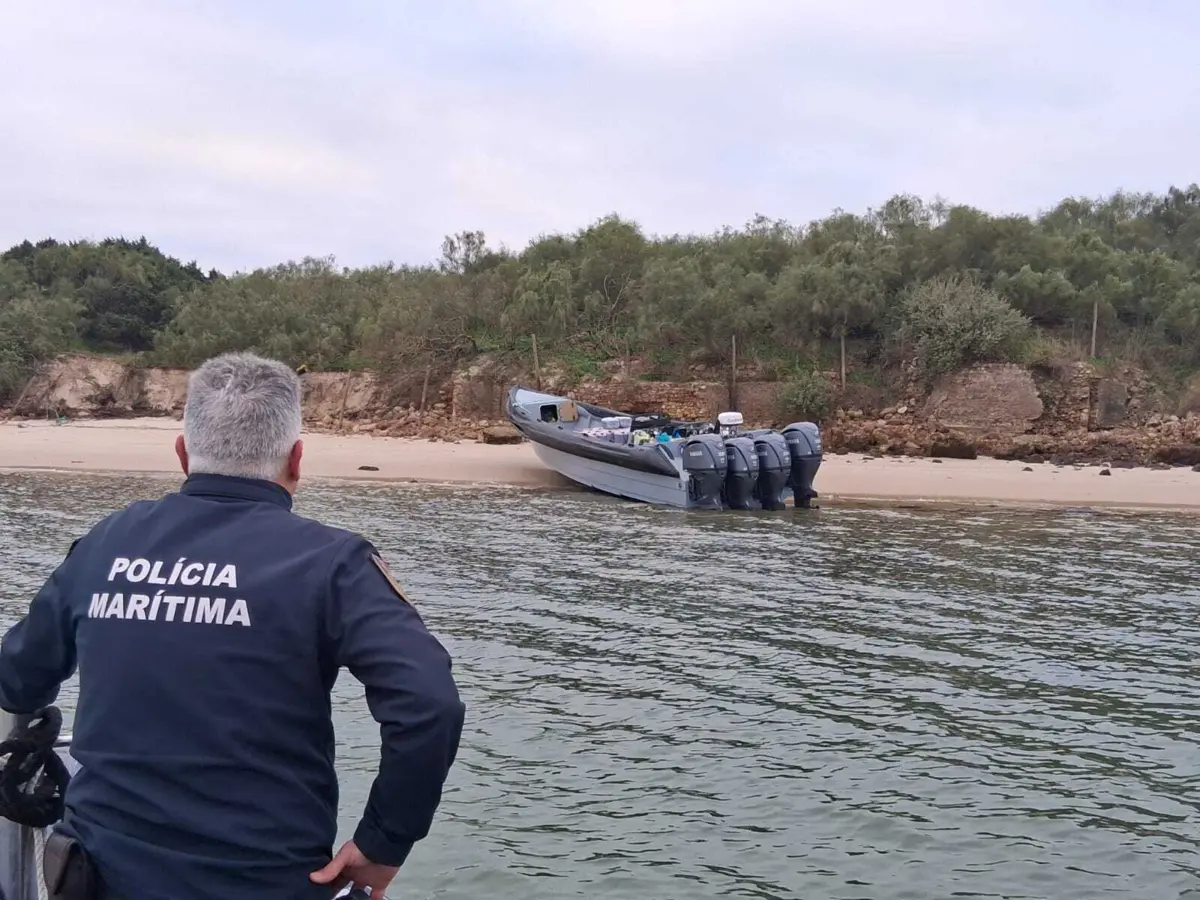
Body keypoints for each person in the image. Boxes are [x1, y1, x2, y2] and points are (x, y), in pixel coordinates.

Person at [0, 352, 466, 900]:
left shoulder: (107, 542)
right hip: (265, 880)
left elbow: (18, 677)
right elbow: (428, 703)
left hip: (100, 875)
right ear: (296, 459)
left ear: (182, 454)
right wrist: (383, 843)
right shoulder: (332, 563)